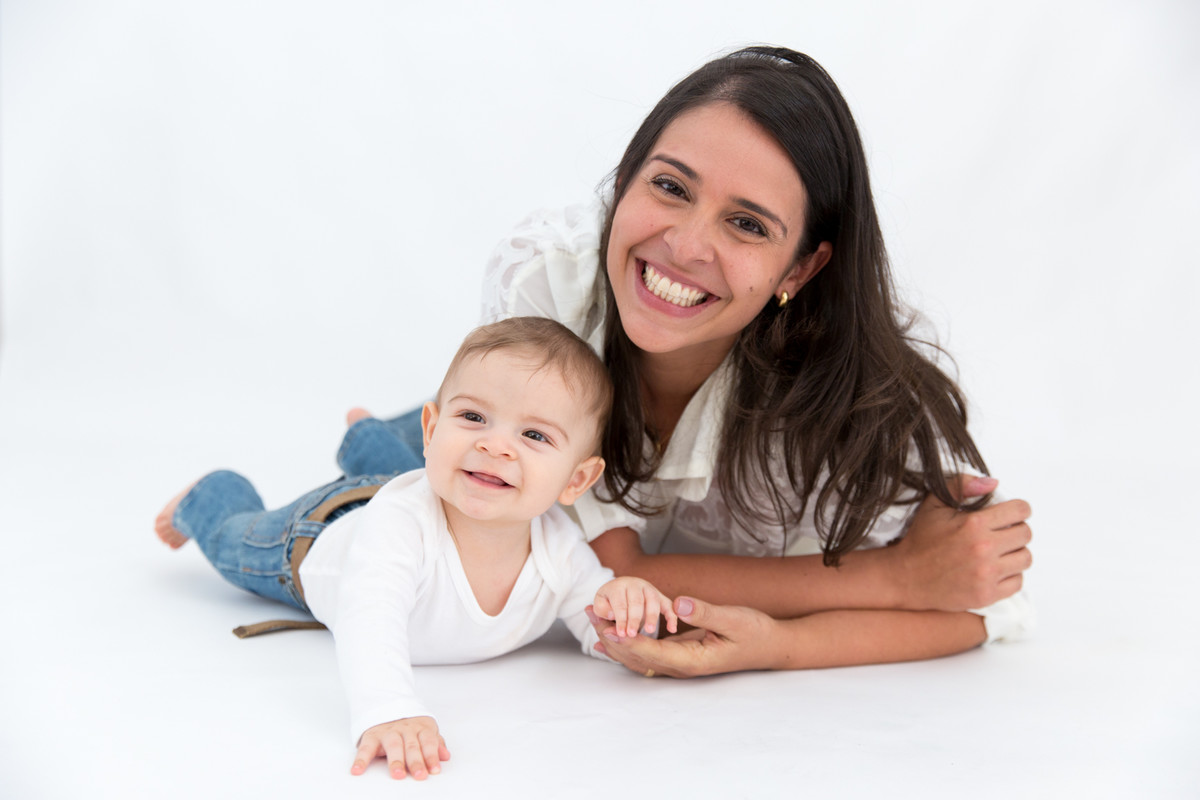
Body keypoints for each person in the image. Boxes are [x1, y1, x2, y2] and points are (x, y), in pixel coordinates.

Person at [339, 45, 1035, 679]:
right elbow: (610, 564)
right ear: (625, 180)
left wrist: (778, 644)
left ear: (802, 266)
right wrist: (889, 580)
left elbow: (973, 611)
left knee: (448, 453)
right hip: (518, 463)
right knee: (429, 478)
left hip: (537, 462)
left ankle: (382, 434)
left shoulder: (856, 409)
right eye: (670, 187)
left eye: (747, 224)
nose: (686, 244)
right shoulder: (551, 281)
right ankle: (389, 435)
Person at [153, 317, 678, 780]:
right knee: (233, 542)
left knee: (401, 475)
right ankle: (211, 494)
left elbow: (597, 624)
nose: (495, 445)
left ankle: (366, 435)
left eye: (535, 436)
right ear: (433, 427)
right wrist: (388, 709)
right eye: (472, 417)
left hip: (419, 482)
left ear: (577, 479)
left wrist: (627, 614)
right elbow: (370, 617)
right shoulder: (399, 525)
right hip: (315, 537)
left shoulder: (559, 548)